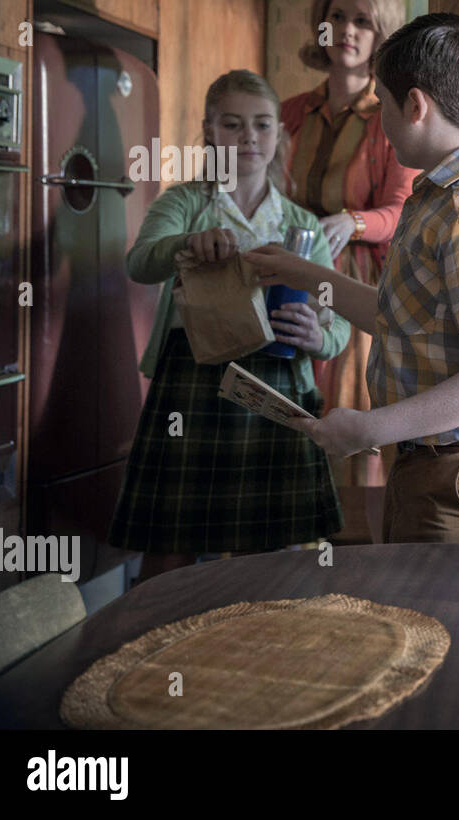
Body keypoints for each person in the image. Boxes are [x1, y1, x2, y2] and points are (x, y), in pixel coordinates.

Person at [245, 13, 459, 543]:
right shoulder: (436, 195)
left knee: (448, 627)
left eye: (383, 106)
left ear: (415, 106)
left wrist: (368, 428)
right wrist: (302, 271)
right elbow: (395, 319)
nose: (381, 125)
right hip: (445, 465)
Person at [110, 70, 351, 581]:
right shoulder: (185, 203)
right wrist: (183, 245)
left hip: (279, 386)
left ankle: (243, 653)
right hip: (192, 382)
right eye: (233, 124)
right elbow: (139, 264)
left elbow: (338, 322)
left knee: (260, 553)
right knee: (171, 541)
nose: (248, 137)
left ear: (278, 136)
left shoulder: (302, 225)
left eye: (262, 125)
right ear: (209, 131)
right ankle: (154, 649)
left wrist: (319, 337)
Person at [282, 0, 419, 487]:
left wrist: (353, 221)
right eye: (336, 17)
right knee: (287, 413)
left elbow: (401, 211)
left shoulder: (392, 117)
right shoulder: (290, 112)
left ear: (380, 33)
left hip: (354, 282)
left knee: (349, 429)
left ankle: (352, 555)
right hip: (288, 275)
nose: (346, 30)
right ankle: (288, 553)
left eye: (362, 20)